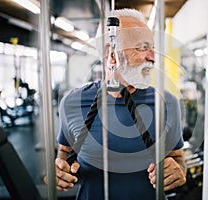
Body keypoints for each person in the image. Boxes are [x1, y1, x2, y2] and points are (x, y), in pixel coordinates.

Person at [44, 8, 186, 200]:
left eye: (152, 48)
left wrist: (178, 172)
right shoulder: (72, 103)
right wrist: (59, 170)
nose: (153, 57)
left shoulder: (167, 103)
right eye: (142, 48)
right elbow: (64, 153)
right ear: (112, 56)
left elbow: (179, 159)